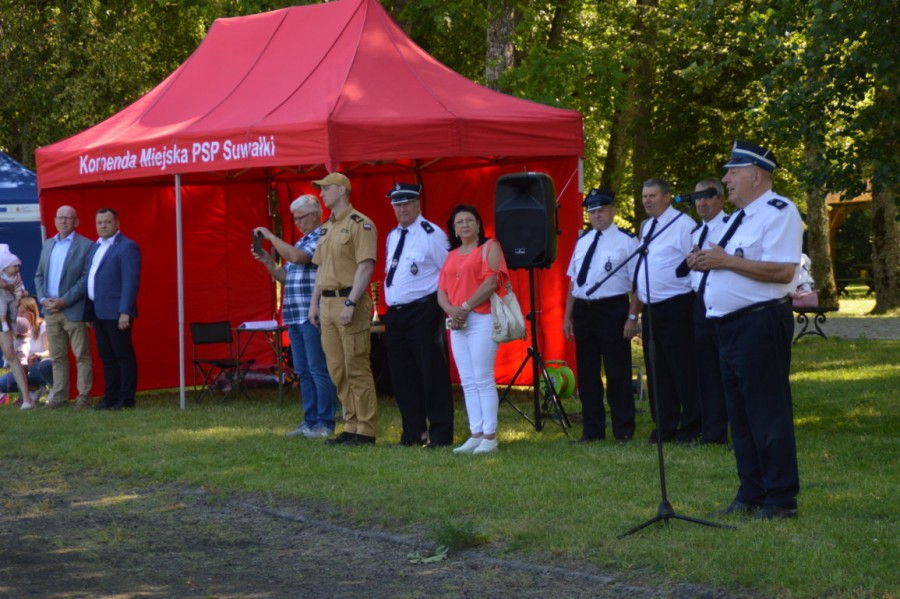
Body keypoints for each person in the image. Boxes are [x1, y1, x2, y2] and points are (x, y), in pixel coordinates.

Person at [692, 140, 802, 519]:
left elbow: (783, 271)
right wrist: (705, 260)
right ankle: (751, 491)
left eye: (732, 173)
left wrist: (724, 261)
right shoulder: (737, 219)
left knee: (767, 411)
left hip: (760, 323)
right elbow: (726, 261)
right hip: (728, 327)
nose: (726, 180)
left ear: (756, 175)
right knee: (739, 414)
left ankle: (780, 498)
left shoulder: (779, 211)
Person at [253, 194, 337, 439]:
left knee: (318, 369)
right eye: (295, 219)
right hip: (294, 315)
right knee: (303, 371)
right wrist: (269, 262)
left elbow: (299, 258)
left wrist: (271, 236)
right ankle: (309, 422)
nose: (298, 223)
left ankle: (325, 423)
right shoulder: (302, 240)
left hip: (312, 314)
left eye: (300, 218)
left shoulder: (322, 236)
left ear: (315, 215)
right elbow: (285, 277)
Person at [563, 189, 639, 443]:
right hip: (584, 311)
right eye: (592, 211)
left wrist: (632, 317)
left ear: (613, 210)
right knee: (587, 373)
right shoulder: (583, 240)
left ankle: (623, 429)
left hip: (612, 309)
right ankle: (592, 430)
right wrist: (567, 317)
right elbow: (574, 282)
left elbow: (638, 284)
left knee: (617, 372)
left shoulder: (627, 241)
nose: (596, 215)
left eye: (601, 210)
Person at [308, 173, 379, 445]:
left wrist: (351, 302)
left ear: (341, 190)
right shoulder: (327, 228)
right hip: (327, 303)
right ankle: (351, 425)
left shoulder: (360, 224)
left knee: (356, 366)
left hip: (349, 300)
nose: (321, 194)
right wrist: (314, 303)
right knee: (337, 369)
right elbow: (321, 269)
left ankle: (366, 429)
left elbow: (366, 266)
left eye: (325, 189)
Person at [382, 183, 454, 447]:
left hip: (424, 310)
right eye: (397, 205)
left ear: (417, 204)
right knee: (403, 376)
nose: (402, 209)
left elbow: (449, 271)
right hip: (396, 313)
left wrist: (448, 307)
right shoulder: (393, 235)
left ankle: (440, 434)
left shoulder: (431, 234)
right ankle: (413, 432)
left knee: (432, 373)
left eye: (406, 204)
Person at [628, 178, 699, 444]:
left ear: (667, 197)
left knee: (682, 368)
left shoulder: (683, 225)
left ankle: (691, 426)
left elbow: (693, 264)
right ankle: (665, 426)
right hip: (652, 309)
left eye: (653, 195)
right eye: (644, 196)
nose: (647, 200)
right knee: (657, 369)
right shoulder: (647, 227)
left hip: (677, 306)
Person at [437, 204, 510, 454]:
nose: (465, 225)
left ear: (478, 224)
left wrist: (465, 307)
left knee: (482, 376)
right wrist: (452, 310)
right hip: (458, 322)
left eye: (469, 220)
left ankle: (490, 436)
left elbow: (491, 283)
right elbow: (441, 291)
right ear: (454, 229)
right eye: (459, 222)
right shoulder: (451, 255)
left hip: (481, 318)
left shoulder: (490, 247)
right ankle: (476, 433)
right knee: (467, 380)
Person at [34, 205, 95, 409]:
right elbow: (39, 275)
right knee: (57, 357)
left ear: (76, 221)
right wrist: (43, 299)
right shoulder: (48, 244)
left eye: (68, 218)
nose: (63, 221)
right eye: (60, 217)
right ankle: (59, 397)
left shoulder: (86, 245)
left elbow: (85, 278)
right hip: (50, 311)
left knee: (81, 355)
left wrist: (65, 300)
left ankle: (83, 397)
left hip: (73, 309)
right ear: (54, 220)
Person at [685, 179, 730, 445]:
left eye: (707, 196)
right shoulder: (695, 232)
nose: (701, 202)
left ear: (721, 199)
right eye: (697, 198)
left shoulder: (731, 226)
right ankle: (713, 432)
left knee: (728, 367)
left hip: (723, 301)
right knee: (706, 369)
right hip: (699, 302)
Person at [85, 208, 142, 410]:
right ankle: (110, 397)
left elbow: (130, 282)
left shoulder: (127, 247)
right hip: (98, 311)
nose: (103, 226)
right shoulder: (96, 247)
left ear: (117, 223)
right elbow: (91, 278)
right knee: (107, 357)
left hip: (117, 312)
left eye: (107, 222)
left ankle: (126, 399)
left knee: (122, 356)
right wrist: (89, 311)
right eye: (99, 222)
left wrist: (125, 311)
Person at [18, 296, 54, 405]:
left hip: (42, 364)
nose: (19, 316)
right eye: (18, 313)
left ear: (32, 312)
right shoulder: (20, 328)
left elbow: (51, 352)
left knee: (44, 366)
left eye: (23, 312)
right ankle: (36, 388)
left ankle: (53, 388)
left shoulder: (43, 326)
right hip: (28, 366)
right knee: (3, 383)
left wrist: (38, 355)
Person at [0, 316, 37, 408]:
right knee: (20, 383)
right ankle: (25, 397)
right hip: (25, 365)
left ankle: (24, 398)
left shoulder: (16, 343)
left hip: (22, 366)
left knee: (19, 383)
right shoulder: (26, 341)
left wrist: (5, 361)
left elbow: (9, 356)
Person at [0, 250, 25, 333]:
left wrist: (18, 299)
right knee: (2, 308)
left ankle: (14, 324)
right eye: (15, 266)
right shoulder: (1, 274)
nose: (17, 268)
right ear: (6, 267)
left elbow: (18, 288)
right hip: (2, 296)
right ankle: (3, 323)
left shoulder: (17, 277)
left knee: (14, 310)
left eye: (18, 266)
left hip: (12, 297)